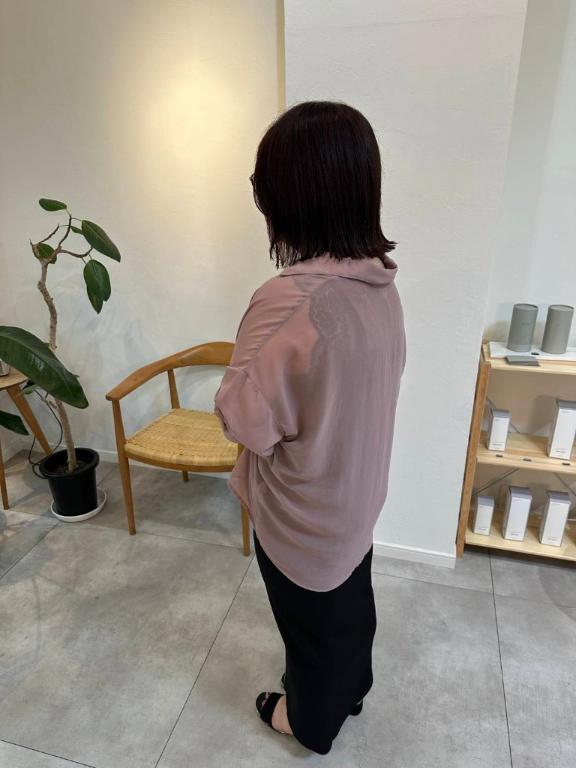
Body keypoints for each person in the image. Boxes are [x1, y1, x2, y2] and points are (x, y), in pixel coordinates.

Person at [214, 100, 406, 755]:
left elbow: (245, 422)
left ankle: (311, 721)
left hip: (305, 513)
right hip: (356, 497)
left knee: (309, 628)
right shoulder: (379, 286)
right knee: (349, 608)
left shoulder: (290, 301)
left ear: (290, 196)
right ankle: (353, 688)